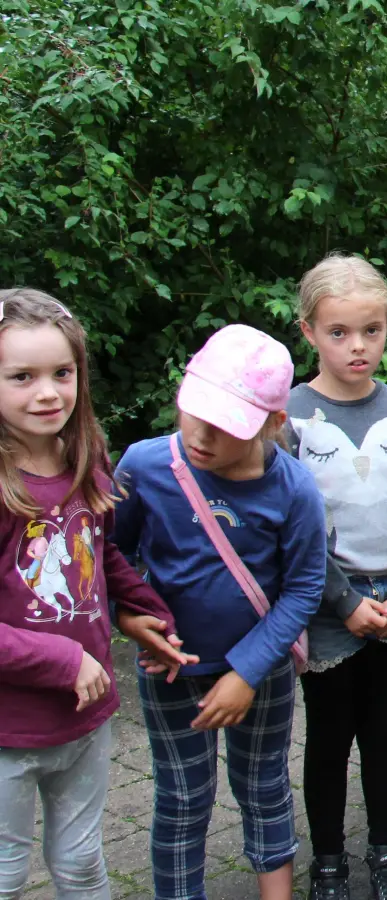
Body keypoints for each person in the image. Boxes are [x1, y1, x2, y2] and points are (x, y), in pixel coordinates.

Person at [113, 324, 326, 900]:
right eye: (195, 411)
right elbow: (110, 555)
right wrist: (129, 619)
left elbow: (305, 589)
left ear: (272, 423)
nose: (202, 435)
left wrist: (246, 672)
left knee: (263, 785)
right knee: (182, 797)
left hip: (262, 673)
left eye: (226, 424)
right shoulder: (144, 465)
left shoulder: (295, 489)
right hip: (171, 669)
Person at [0, 290, 193, 900]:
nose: (49, 393)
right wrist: (61, 659)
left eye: (62, 373)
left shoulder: (84, 457)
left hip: (86, 717)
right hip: (9, 728)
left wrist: (145, 613)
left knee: (82, 864)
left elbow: (101, 554)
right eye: (21, 378)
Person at [286, 256, 387, 900]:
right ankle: (327, 860)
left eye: (371, 331)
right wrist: (343, 601)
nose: (358, 347)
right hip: (326, 607)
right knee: (327, 735)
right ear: (309, 331)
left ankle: (385, 851)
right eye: (340, 332)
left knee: (383, 729)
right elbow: (288, 529)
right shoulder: (288, 415)